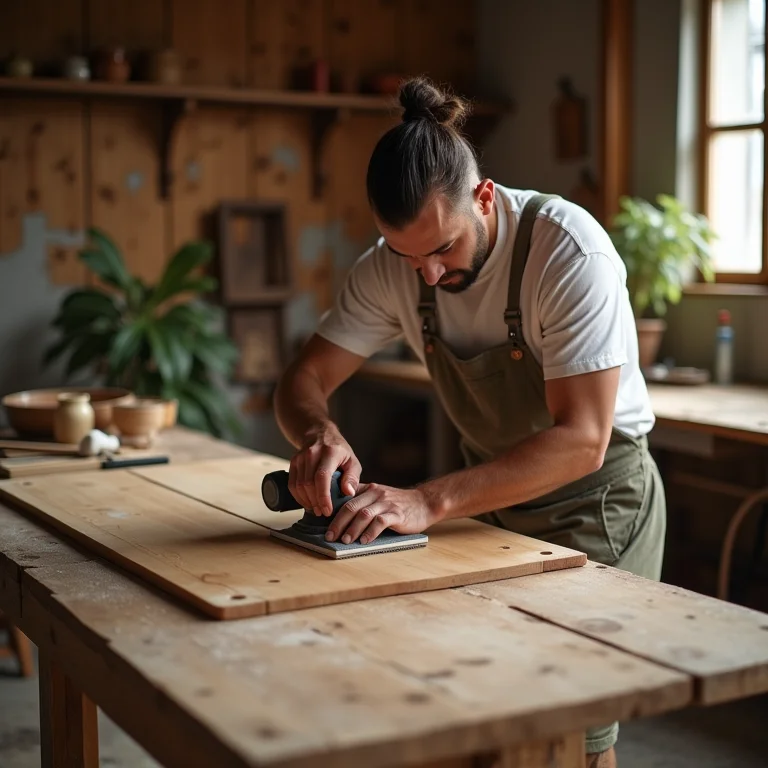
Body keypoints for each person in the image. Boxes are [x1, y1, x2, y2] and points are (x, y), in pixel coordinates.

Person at [273, 76, 666, 768]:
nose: (425, 275)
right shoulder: (394, 269)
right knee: (474, 705)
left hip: (597, 499)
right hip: (493, 502)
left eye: (444, 250)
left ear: (484, 199)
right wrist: (318, 434)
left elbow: (581, 440)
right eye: (406, 255)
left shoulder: (566, 251)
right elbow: (302, 381)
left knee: (566, 734)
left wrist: (428, 500)